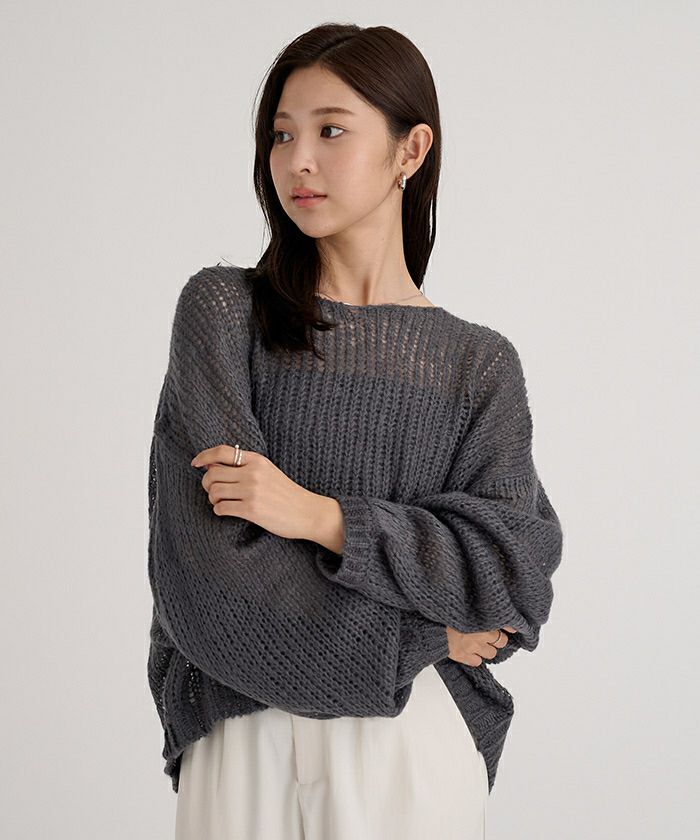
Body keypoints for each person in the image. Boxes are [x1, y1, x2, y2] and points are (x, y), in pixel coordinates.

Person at [147, 21, 563, 840]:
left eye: (330, 131)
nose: (297, 160)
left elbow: (513, 577)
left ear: (411, 150)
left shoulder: (477, 365)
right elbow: (207, 586)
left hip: (412, 742)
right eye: (281, 135)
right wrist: (427, 632)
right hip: (244, 733)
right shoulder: (224, 313)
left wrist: (321, 517)